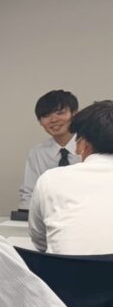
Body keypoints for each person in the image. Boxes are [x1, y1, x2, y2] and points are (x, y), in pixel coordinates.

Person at [29, 100, 113, 254]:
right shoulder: (38, 153)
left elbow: (40, 241)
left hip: (66, 269)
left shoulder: (50, 179)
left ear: (83, 144)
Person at [20, 89, 81, 210]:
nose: (53, 120)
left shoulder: (92, 147)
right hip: (47, 216)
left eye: (60, 113)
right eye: (46, 116)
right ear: (40, 122)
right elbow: (29, 194)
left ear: (74, 114)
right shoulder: (38, 153)